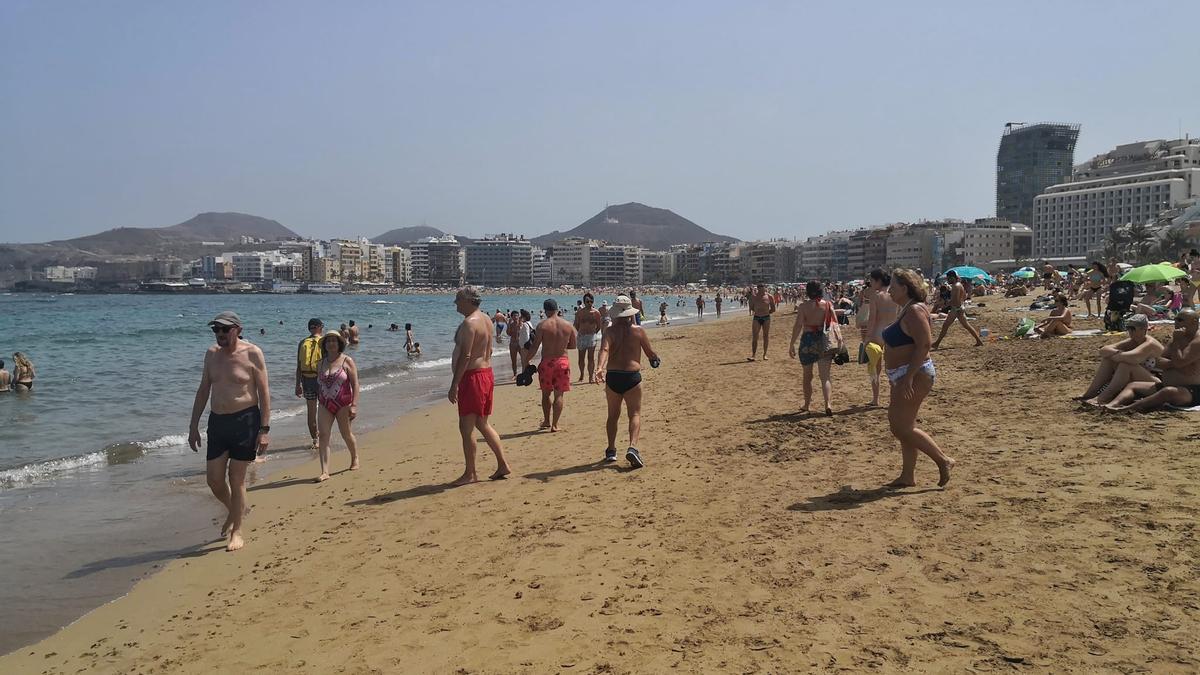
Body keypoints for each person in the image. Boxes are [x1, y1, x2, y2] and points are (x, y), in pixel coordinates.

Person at [187, 311, 271, 551]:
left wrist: (264, 429)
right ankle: (236, 510)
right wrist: (193, 425)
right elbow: (204, 389)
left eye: (224, 329)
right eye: (216, 330)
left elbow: (264, 393)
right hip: (217, 422)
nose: (220, 334)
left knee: (237, 478)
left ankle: (237, 531)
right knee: (213, 480)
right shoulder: (211, 354)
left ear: (237, 329)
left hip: (245, 420)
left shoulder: (253, 353)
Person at [881, 270, 954, 487]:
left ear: (905, 288)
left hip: (913, 374)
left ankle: (943, 460)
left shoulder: (913, 310)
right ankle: (907, 476)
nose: (890, 290)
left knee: (899, 427)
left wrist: (908, 377)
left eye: (893, 286)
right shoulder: (907, 309)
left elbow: (924, 344)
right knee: (906, 425)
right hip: (904, 374)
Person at [448, 286, 511, 485]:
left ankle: (471, 473)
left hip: (473, 377)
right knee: (482, 423)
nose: (455, 303)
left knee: (466, 427)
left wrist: (454, 384)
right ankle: (502, 464)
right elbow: (489, 351)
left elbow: (466, 356)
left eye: (458, 299)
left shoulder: (469, 323)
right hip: (485, 374)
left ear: (467, 300)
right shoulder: (486, 320)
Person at [596, 295, 660, 467]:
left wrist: (599, 368)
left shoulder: (609, 331)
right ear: (631, 312)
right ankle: (632, 447)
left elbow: (604, 349)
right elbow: (650, 353)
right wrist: (655, 359)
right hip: (632, 377)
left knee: (613, 415)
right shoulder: (638, 331)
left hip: (614, 376)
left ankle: (611, 450)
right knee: (635, 414)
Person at [1104, 309, 1200, 411]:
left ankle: (1126, 409)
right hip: (1169, 384)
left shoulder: (1196, 341)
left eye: (1180, 320)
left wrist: (1176, 344)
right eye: (1175, 319)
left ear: (1194, 321)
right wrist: (1175, 364)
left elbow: (1179, 362)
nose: (1175, 322)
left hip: (1192, 390)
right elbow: (1158, 361)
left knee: (1168, 392)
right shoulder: (1177, 338)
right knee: (1133, 385)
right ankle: (1112, 405)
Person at [1078, 313, 1163, 406]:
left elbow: (1131, 358)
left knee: (1125, 365)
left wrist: (1115, 354)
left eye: (1132, 328)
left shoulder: (1150, 344)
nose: (1129, 331)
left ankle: (1103, 397)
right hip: (1146, 377)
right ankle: (1091, 393)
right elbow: (1103, 350)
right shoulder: (1133, 341)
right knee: (1109, 360)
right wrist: (1118, 354)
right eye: (1128, 327)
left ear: (1144, 329)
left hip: (1158, 383)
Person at [315, 330, 360, 482]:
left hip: (343, 403)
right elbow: (319, 384)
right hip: (324, 404)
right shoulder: (320, 363)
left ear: (339, 343)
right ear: (324, 345)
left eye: (334, 341)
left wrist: (354, 405)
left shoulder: (347, 360)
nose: (331, 343)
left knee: (346, 433)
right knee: (323, 435)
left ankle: (354, 458)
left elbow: (355, 384)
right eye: (328, 341)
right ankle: (325, 471)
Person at [526, 299, 576, 432]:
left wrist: (526, 360)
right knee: (559, 395)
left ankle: (546, 421)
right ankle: (555, 425)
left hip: (547, 363)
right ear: (557, 309)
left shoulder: (542, 325)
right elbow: (573, 345)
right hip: (562, 362)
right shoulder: (568, 325)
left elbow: (535, 346)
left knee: (545, 394)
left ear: (545, 310)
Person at [788, 280, 838, 415]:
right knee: (825, 377)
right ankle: (828, 404)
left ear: (808, 292)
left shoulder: (803, 307)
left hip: (807, 341)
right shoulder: (828, 305)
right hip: (824, 341)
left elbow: (798, 326)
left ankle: (806, 404)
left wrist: (792, 343)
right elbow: (835, 324)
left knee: (807, 376)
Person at [862, 269, 898, 407]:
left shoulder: (876, 296)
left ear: (878, 281)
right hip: (893, 333)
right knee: (893, 368)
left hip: (877, 333)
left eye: (872, 280)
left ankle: (876, 399)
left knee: (874, 368)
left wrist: (867, 337)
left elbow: (872, 319)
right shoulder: (895, 295)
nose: (870, 284)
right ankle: (893, 399)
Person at [931, 270, 984, 349]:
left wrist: (945, 305)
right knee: (966, 326)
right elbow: (963, 297)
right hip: (959, 308)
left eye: (948, 278)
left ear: (952, 278)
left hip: (955, 309)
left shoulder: (955, 286)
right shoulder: (959, 285)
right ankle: (979, 341)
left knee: (945, 325)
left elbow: (954, 300)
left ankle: (937, 343)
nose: (947, 280)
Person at [294, 318, 324, 449]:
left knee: (311, 413)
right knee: (324, 412)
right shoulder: (325, 342)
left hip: (307, 380)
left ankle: (315, 440)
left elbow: (299, 366)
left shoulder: (302, 343)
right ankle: (322, 437)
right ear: (321, 327)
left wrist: (297, 385)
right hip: (322, 381)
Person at [573, 293, 602, 383]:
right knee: (581, 358)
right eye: (587, 301)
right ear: (584, 302)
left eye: (591, 301)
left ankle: (590, 377)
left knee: (591, 357)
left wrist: (593, 333)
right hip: (582, 336)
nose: (589, 303)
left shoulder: (596, 313)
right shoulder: (580, 313)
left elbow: (599, 326)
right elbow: (576, 325)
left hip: (591, 336)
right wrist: (581, 332)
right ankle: (582, 374)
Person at [747, 283, 777, 361]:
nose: (760, 289)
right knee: (755, 336)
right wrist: (758, 311)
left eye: (762, 288)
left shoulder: (769, 296)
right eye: (759, 288)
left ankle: (765, 354)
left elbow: (773, 309)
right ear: (757, 288)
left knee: (765, 336)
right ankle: (753, 355)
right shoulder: (754, 297)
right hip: (756, 318)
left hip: (766, 318)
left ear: (764, 288)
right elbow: (751, 307)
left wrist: (766, 312)